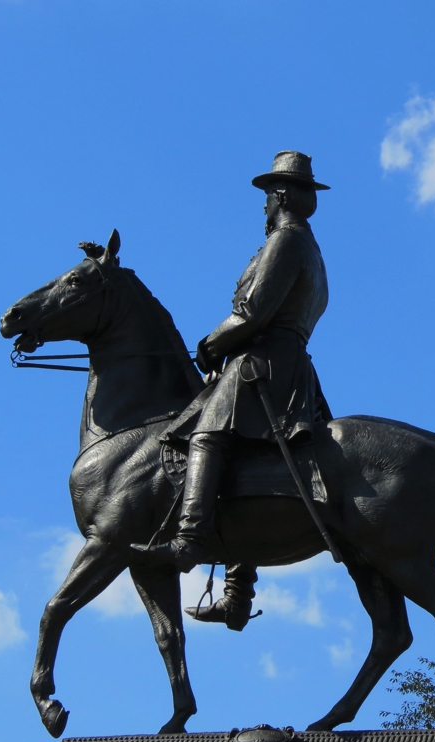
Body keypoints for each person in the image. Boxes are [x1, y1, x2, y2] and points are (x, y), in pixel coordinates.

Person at [132, 151, 331, 631]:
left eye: (266, 198)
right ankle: (237, 596)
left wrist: (210, 343)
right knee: (246, 464)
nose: (263, 207)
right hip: (290, 364)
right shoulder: (309, 245)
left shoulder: (286, 241)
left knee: (206, 437)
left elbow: (253, 313)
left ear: (279, 196)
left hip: (262, 364)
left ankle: (188, 542)